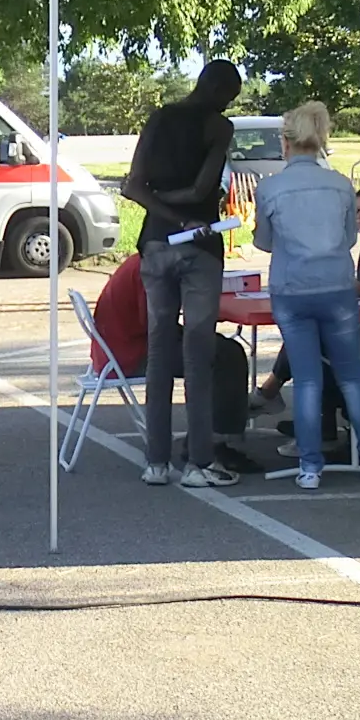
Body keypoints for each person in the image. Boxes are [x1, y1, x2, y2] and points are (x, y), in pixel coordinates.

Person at [252, 102, 360, 488]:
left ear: (286, 142)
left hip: (292, 287)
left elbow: (264, 242)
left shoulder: (271, 187)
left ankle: (310, 467)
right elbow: (349, 238)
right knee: (352, 376)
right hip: (337, 286)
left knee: (308, 380)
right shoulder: (342, 185)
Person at [124, 59, 242, 488]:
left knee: (159, 352)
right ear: (221, 92)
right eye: (230, 97)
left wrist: (164, 210)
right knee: (198, 352)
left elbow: (132, 186)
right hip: (201, 246)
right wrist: (189, 219)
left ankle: (155, 462)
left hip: (154, 244)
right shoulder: (218, 128)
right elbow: (199, 189)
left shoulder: (160, 118)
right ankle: (199, 462)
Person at [90, 251, 259, 473]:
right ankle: (215, 440)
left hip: (121, 347)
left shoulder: (146, 262)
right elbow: (154, 324)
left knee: (221, 350)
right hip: (132, 352)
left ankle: (210, 435)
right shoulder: (150, 271)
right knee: (226, 356)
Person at [251, 184, 360, 412]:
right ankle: (317, 423)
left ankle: (275, 396)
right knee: (311, 331)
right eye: (355, 211)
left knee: (317, 339)